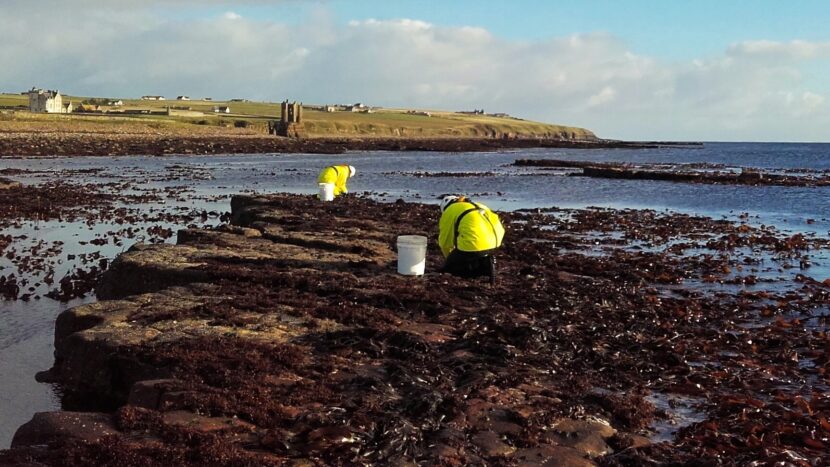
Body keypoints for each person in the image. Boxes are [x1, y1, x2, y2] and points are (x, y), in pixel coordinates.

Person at [437, 195, 505, 283]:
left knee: (451, 268)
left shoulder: (450, 210)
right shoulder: (478, 205)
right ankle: (485, 265)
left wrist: (449, 259)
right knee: (474, 253)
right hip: (495, 242)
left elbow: (445, 242)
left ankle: (474, 273)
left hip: (474, 244)